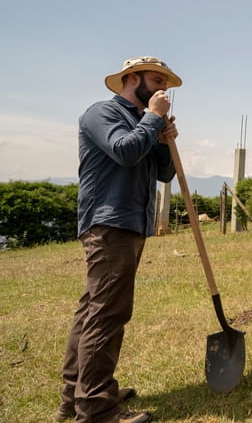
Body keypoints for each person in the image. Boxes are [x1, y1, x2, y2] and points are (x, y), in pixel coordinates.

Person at [58, 56, 182, 422]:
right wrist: (152, 119)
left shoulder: (142, 121)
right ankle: (95, 408)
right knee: (108, 314)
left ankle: (77, 395)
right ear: (131, 78)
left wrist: (163, 141)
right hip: (109, 222)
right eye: (155, 78)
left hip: (129, 222)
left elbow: (163, 174)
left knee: (92, 310)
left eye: (166, 81)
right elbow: (125, 152)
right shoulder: (102, 113)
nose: (162, 86)